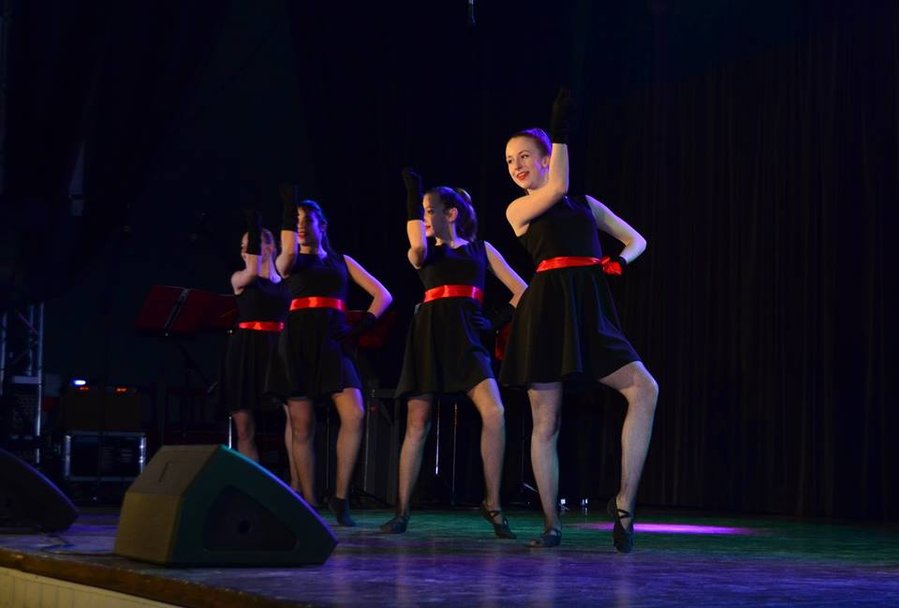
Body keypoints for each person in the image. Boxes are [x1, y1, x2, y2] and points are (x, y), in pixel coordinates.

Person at [499, 89, 659, 552]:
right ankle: (552, 524)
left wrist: (619, 261)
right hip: (547, 312)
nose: (516, 166)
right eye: (509, 161)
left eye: (524, 155)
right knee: (545, 421)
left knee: (645, 390)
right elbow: (556, 189)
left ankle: (625, 504)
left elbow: (636, 240)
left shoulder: (585, 204)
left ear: (546, 158)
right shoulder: (518, 210)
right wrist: (562, 129)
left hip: (589, 307)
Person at [380, 169, 527, 538]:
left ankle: (493, 503)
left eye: (430, 210)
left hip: (467, 337)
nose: (425, 218)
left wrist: (495, 322)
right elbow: (416, 246)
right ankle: (402, 511)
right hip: (428, 337)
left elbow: (522, 290)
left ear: (452, 213)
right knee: (417, 423)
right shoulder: (424, 252)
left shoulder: (481, 249)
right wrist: (413, 196)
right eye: (422, 212)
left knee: (495, 412)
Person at [267, 194, 392, 526]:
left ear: (322, 225)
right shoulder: (289, 260)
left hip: (333, 344)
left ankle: (340, 496)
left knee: (355, 413)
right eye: (295, 222)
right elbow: (286, 257)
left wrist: (362, 325)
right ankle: (308, 502)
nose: (301, 227)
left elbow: (383, 295)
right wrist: (287, 212)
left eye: (306, 220)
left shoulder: (341, 261)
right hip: (296, 344)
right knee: (302, 425)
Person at [219, 209, 289, 462]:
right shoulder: (240, 278)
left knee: (296, 418)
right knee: (244, 428)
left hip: (277, 352)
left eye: (250, 245)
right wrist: (252, 226)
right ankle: (251, 480)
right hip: (245, 353)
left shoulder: (285, 281)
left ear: (271, 247)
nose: (244, 252)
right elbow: (251, 269)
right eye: (242, 247)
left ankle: (296, 481)